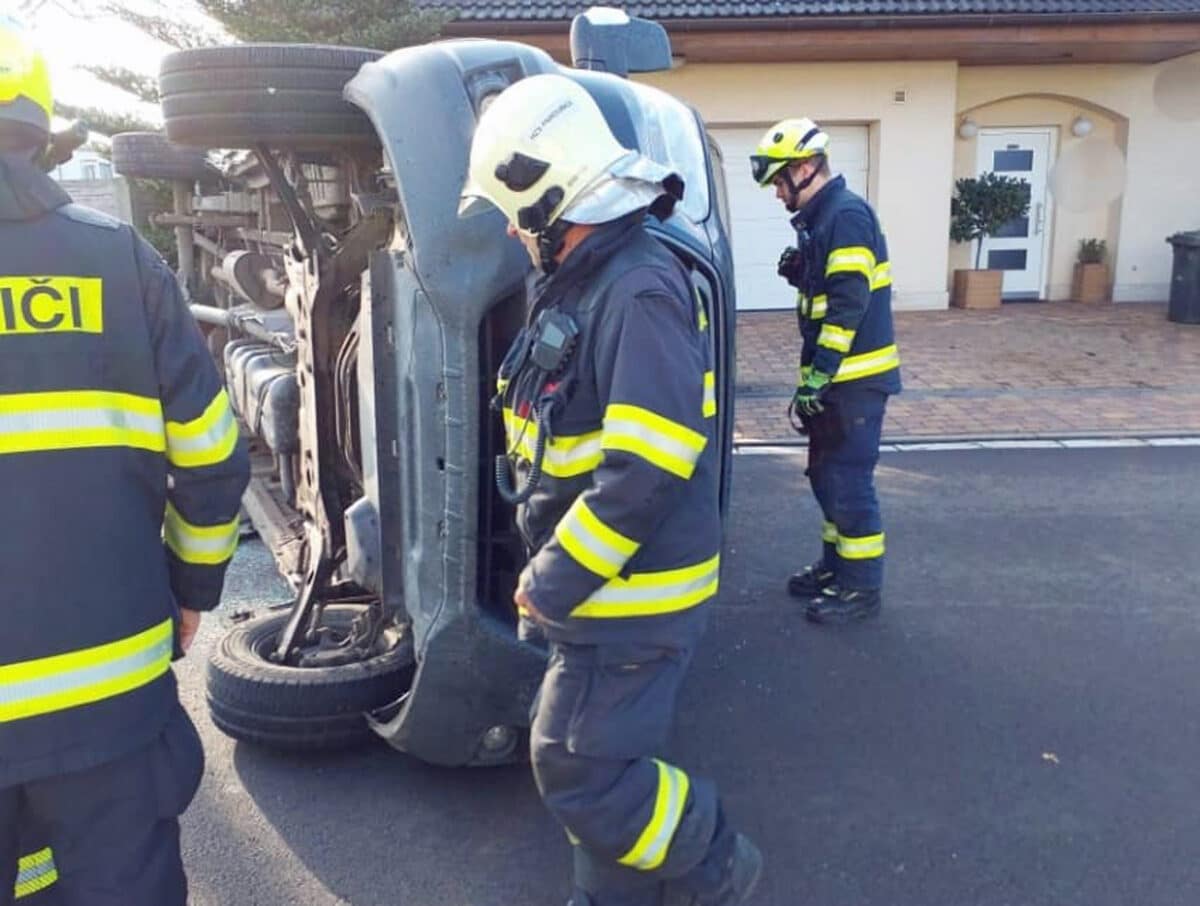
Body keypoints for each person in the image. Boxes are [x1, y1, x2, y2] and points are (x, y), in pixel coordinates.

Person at [460, 73, 762, 906]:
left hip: (632, 591)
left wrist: (554, 577)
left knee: (579, 768)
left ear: (550, 191)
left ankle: (714, 861)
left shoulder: (636, 289)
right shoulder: (593, 278)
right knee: (596, 753)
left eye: (516, 215)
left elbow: (646, 472)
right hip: (605, 587)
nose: (517, 235)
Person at [0, 19, 249, 906]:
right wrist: (193, 591)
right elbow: (215, 459)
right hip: (110, 693)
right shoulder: (121, 265)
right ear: (43, 131)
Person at [750, 117, 901, 624]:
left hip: (854, 381)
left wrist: (821, 375)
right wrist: (804, 273)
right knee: (824, 475)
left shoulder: (846, 216)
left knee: (848, 479)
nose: (776, 193)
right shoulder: (823, 218)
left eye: (778, 180)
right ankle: (837, 567)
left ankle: (861, 589)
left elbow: (848, 304)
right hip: (836, 379)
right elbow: (829, 291)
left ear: (806, 167)